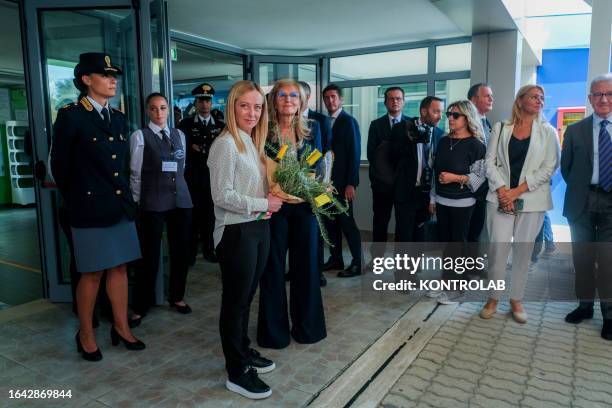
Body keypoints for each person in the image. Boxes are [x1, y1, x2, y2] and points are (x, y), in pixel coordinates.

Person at [50, 52, 145, 361]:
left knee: (119, 268)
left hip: (119, 207)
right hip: (89, 209)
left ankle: (120, 327)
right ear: (86, 80)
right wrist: (81, 199)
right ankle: (86, 333)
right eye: (105, 75)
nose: (112, 79)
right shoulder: (72, 114)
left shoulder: (117, 117)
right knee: (91, 273)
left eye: (113, 75)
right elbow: (60, 168)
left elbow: (122, 163)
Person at [208, 80, 282, 399]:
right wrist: (264, 204)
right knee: (235, 303)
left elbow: (250, 188)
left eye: (257, 106)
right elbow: (221, 196)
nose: (252, 112)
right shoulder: (226, 144)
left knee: (247, 297)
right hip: (236, 232)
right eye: (245, 106)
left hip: (257, 227)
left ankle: (243, 351)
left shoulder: (252, 140)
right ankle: (237, 372)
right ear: (232, 107)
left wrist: (275, 194)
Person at [480, 84, 559, 323]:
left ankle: (516, 299)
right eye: (534, 96)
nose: (540, 101)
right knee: (497, 250)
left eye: (542, 98)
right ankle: (493, 298)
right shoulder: (501, 127)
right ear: (521, 100)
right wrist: (504, 191)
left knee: (523, 252)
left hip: (531, 200)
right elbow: (489, 162)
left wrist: (517, 192)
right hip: (499, 198)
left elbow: (549, 168)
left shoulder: (548, 132)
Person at [257, 79, 326, 350]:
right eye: (282, 95)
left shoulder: (313, 129)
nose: (288, 99)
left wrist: (319, 198)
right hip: (274, 208)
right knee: (272, 270)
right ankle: (274, 334)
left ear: (301, 101)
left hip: (305, 208)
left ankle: (308, 328)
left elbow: (318, 164)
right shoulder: (263, 131)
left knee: (307, 268)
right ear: (274, 100)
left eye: (294, 95)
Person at [129, 93, 193, 327]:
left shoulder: (179, 135)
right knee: (149, 256)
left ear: (168, 110)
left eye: (163, 108)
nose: (159, 113)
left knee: (181, 252)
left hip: (181, 200)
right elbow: (135, 173)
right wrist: (136, 201)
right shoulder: (140, 137)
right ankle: (140, 306)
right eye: (154, 108)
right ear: (147, 111)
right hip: (152, 202)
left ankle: (177, 296)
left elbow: (181, 167)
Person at [561, 74, 612, 340]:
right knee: (582, 259)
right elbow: (566, 168)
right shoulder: (575, 130)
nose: (603, 99)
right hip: (581, 202)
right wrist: (585, 188)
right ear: (590, 99)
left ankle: (609, 315)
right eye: (598, 94)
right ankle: (584, 307)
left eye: (609, 94)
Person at [428, 100, 487, 304]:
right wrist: (433, 197)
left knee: (457, 246)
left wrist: (455, 178)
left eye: (455, 115)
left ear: (467, 117)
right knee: (446, 245)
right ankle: (446, 283)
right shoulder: (444, 141)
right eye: (449, 114)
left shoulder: (477, 145)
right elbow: (435, 172)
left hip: (463, 203)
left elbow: (479, 178)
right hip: (442, 201)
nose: (450, 118)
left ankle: (457, 290)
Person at [178, 83, 224, 264]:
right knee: (192, 218)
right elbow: (180, 151)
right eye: (201, 100)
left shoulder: (221, 126)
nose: (205, 104)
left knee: (211, 217)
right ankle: (189, 254)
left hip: (213, 179)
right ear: (195, 103)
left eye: (208, 100)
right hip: (193, 179)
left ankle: (209, 250)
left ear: (211, 103)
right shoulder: (186, 124)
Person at [321, 84, 363, 277]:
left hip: (342, 185)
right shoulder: (323, 122)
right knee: (329, 223)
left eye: (333, 97)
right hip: (324, 187)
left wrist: (351, 183)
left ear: (341, 99)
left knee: (347, 224)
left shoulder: (348, 121)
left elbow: (354, 154)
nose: (330, 101)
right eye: (327, 98)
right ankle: (336, 258)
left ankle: (357, 263)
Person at [391, 96, 444, 243]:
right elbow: (393, 156)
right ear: (423, 111)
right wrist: (413, 139)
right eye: (436, 112)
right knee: (404, 237)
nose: (440, 116)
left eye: (441, 112)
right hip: (406, 193)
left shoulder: (440, 134)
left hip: (427, 195)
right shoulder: (402, 128)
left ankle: (416, 267)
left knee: (421, 237)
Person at [299, 80, 332, 286]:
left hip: (315, 183)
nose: (295, 100)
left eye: (299, 95)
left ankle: (317, 271)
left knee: (316, 230)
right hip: (289, 187)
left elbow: (321, 152)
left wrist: (303, 167)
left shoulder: (319, 121)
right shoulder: (281, 121)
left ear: (308, 97)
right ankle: (295, 269)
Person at [367, 86, 407, 258]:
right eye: (391, 98)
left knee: (404, 225)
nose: (395, 101)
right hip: (382, 185)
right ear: (385, 102)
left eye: (398, 98)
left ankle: (404, 262)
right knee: (380, 223)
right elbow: (371, 154)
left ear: (403, 102)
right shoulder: (376, 125)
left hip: (404, 185)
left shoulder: (411, 124)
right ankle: (377, 259)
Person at [467, 83, 494, 243]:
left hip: (483, 189)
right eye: (487, 95)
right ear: (474, 100)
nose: (491, 99)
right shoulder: (465, 124)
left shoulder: (488, 124)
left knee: (475, 231)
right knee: (462, 233)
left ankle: (471, 266)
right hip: (467, 188)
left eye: (491, 96)